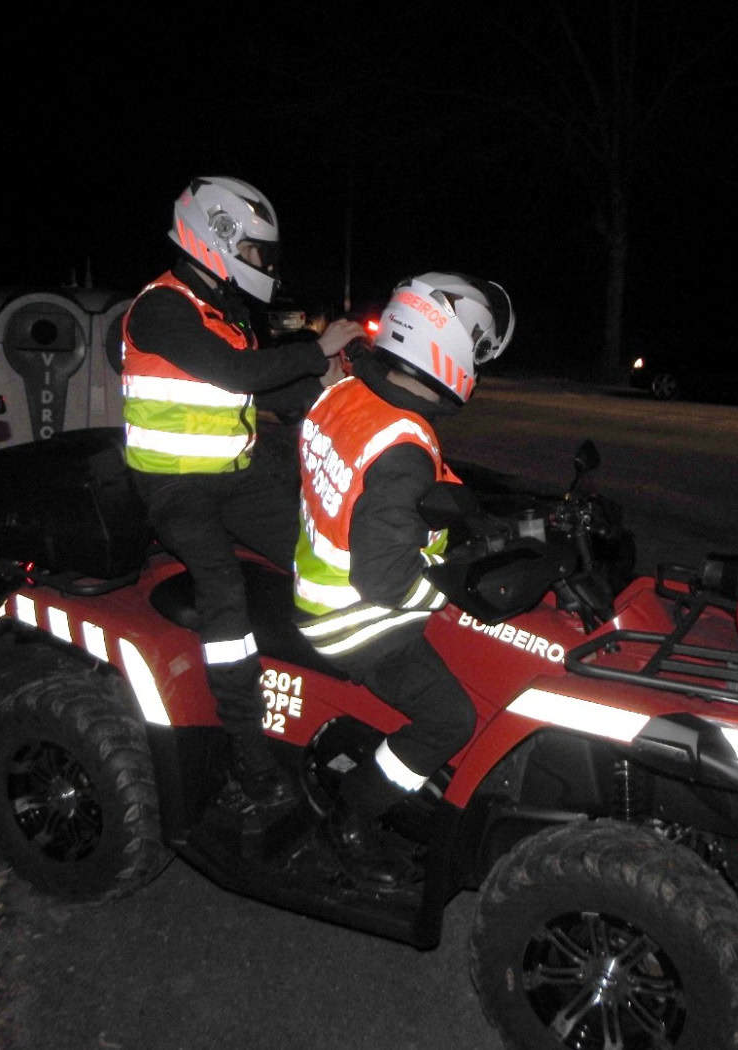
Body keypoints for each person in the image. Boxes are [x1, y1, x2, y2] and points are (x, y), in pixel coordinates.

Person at [121, 175, 361, 806]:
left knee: (318, 557)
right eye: (256, 250)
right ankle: (246, 752)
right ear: (215, 239)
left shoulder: (224, 312)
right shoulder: (161, 307)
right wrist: (315, 350)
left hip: (235, 478)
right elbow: (233, 371)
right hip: (176, 489)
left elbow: (263, 389)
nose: (263, 264)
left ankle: (337, 688)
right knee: (225, 595)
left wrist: (338, 397)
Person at [293, 272, 514, 885]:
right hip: (354, 621)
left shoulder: (349, 395)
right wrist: (452, 592)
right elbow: (387, 582)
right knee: (452, 719)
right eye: (478, 350)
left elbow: (379, 483)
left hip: (319, 582)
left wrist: (466, 511)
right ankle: (354, 813)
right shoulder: (403, 450)